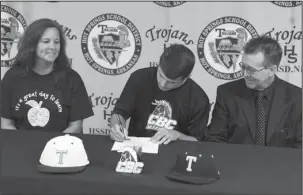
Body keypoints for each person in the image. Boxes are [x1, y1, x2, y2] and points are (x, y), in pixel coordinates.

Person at [1, 18, 94, 133]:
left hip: (59, 148)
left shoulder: (72, 78)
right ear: (32, 44)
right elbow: (6, 125)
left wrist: (54, 147)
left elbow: (75, 127)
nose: (53, 47)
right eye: (46, 41)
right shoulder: (12, 77)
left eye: (56, 42)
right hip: (20, 147)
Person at [207, 35, 302, 148]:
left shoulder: (297, 97)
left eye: (252, 70)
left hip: (281, 164)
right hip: (235, 163)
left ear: (272, 70)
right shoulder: (227, 93)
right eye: (243, 67)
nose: (245, 74)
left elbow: (300, 145)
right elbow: (215, 138)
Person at [109, 44, 210, 145]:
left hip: (174, 152)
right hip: (136, 147)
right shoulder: (139, 78)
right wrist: (117, 128)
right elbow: (119, 113)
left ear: (186, 78)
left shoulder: (199, 99)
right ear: (159, 65)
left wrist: (177, 135)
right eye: (161, 75)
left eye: (172, 82)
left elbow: (198, 141)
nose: (163, 84)